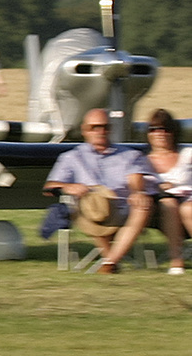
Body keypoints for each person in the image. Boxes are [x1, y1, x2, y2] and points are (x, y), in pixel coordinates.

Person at [43, 107, 157, 273]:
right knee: (94, 207)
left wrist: (137, 192)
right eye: (94, 127)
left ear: (110, 129)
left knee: (143, 204)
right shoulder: (71, 158)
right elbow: (49, 187)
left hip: (123, 208)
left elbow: (135, 179)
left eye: (105, 127)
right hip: (92, 210)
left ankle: (110, 262)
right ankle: (111, 262)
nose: (100, 131)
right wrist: (69, 187)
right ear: (84, 130)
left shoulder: (130, 155)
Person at [144, 108, 191, 275]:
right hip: (158, 208)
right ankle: (176, 260)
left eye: (166, 129)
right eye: (155, 129)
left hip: (188, 201)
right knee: (168, 203)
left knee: (188, 208)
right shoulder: (142, 161)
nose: (160, 133)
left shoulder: (187, 155)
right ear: (149, 133)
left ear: (174, 132)